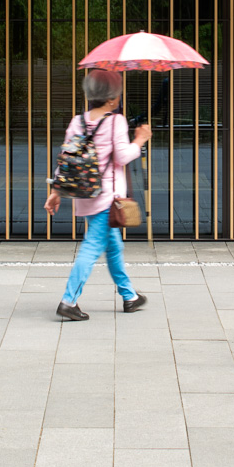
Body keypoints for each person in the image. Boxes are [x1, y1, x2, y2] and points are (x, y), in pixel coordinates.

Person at [46, 68, 151, 322]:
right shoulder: (116, 121)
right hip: (107, 198)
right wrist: (140, 139)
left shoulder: (77, 121)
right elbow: (123, 156)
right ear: (113, 98)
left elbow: (66, 159)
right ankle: (68, 301)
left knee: (114, 246)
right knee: (92, 247)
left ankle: (129, 296)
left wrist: (55, 191)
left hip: (86, 195)